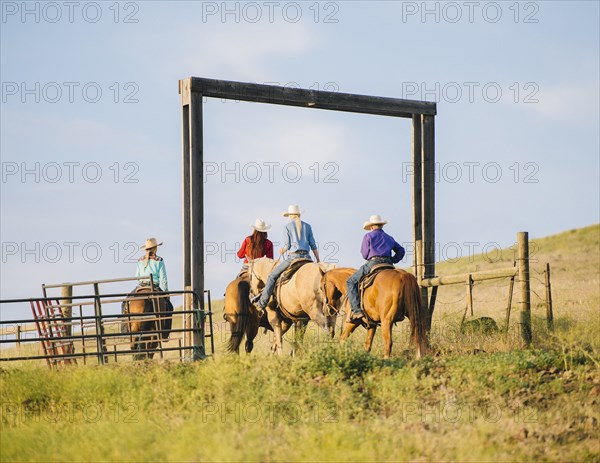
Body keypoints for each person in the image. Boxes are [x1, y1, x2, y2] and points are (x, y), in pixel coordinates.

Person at [252, 205, 320, 311]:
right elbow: (313, 245)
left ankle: (262, 303)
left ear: (290, 216)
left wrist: (282, 250)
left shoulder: (287, 227)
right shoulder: (308, 226)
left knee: (272, 276)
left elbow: (287, 246)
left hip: (294, 257)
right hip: (307, 258)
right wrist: (318, 260)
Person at [346, 215, 405, 323]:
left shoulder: (368, 236)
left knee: (351, 281)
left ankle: (356, 311)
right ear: (382, 226)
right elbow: (401, 250)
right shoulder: (389, 237)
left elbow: (364, 254)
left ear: (371, 226)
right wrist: (393, 260)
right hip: (388, 264)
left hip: (374, 263)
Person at [134, 237, 173, 324]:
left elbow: (137, 276)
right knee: (169, 307)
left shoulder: (140, 260)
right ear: (156, 248)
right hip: (154, 286)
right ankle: (165, 333)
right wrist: (166, 292)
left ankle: (125, 329)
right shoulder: (159, 260)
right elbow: (163, 279)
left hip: (141, 286)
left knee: (125, 304)